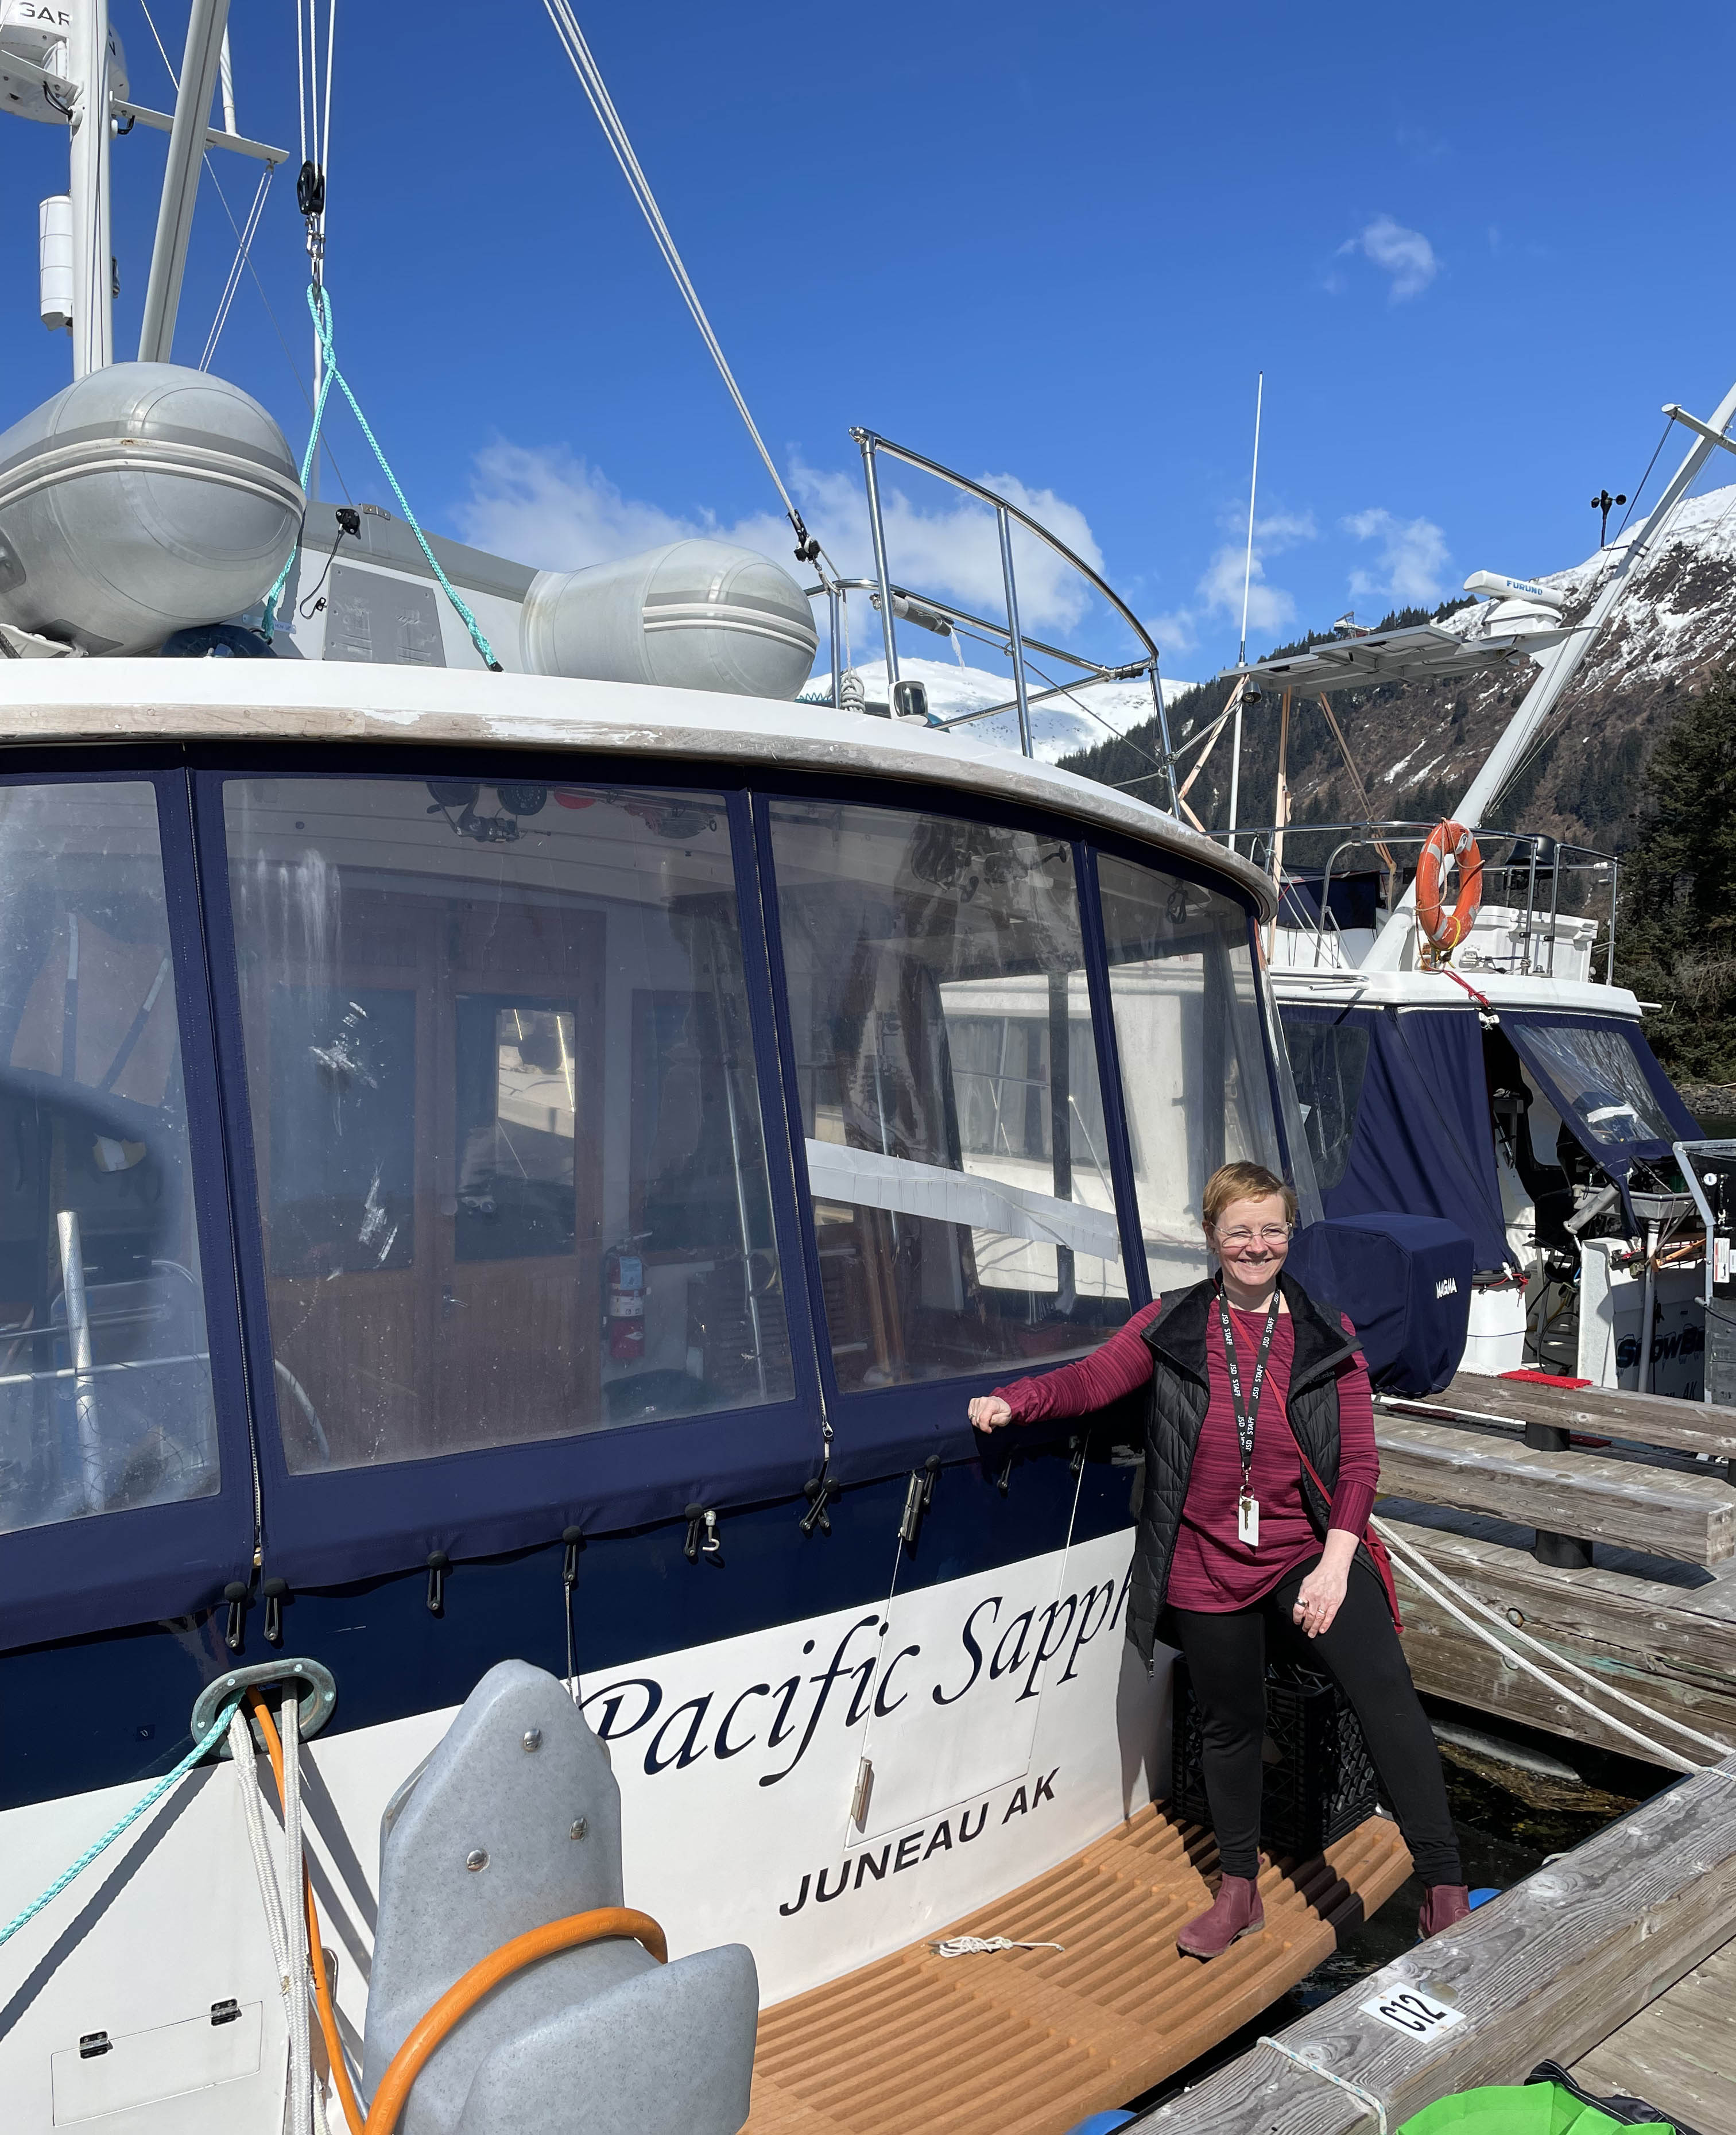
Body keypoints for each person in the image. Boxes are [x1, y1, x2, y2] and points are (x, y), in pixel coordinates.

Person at [969, 1159, 1468, 1958]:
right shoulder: (1168, 1325)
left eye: (1273, 1229)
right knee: (1231, 1724)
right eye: (1239, 1230)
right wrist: (1016, 1402)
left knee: (1388, 1701)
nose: (1256, 1245)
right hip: (1205, 1557)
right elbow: (1094, 1381)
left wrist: (1337, 1565)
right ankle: (1239, 1891)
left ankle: (1443, 1891)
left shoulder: (1328, 1334)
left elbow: (1360, 1466)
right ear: (1211, 1237)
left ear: (1290, 1236)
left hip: (1309, 1553)